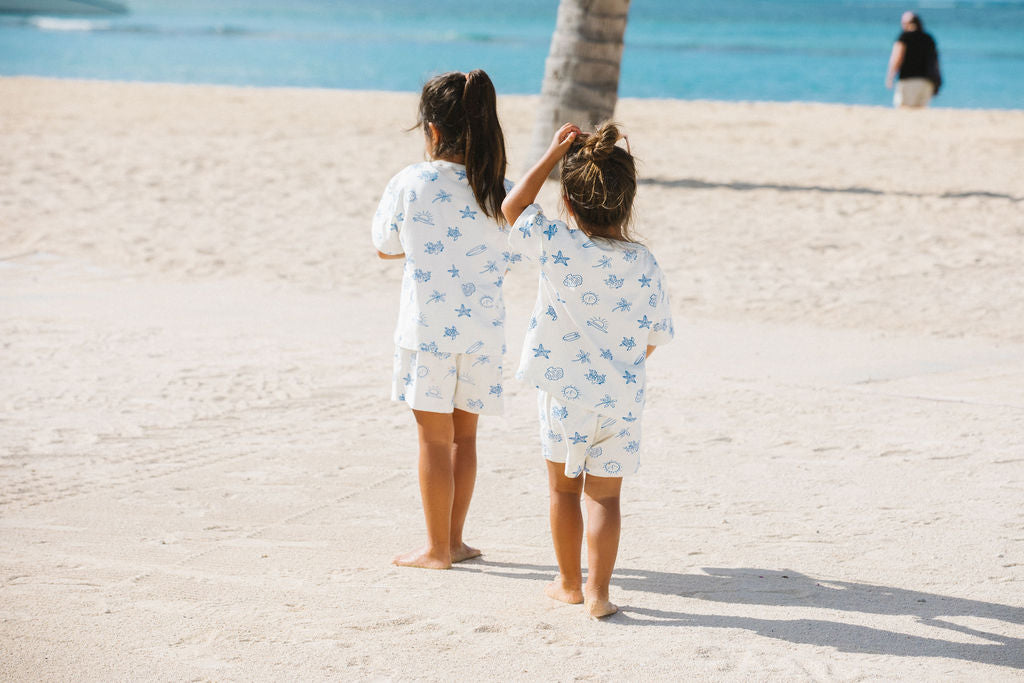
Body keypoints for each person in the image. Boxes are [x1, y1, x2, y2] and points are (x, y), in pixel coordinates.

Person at [502, 122, 674, 618]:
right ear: (628, 201)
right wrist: (617, 366)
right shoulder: (643, 261)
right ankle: (599, 594)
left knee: (562, 490)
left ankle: (567, 583)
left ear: (570, 203)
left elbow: (512, 208)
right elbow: (652, 339)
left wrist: (554, 156)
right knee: (606, 498)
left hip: (563, 395)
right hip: (621, 399)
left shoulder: (557, 243)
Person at [371, 70, 513, 570]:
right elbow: (515, 254)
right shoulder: (500, 192)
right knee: (465, 438)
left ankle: (436, 550)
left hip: (428, 330)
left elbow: (386, 247)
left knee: (432, 439)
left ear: (432, 130)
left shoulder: (411, 182)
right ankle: (455, 540)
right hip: (483, 334)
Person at [886, 11, 941, 108]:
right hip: (927, 82)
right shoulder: (929, 38)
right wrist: (938, 81)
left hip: (908, 80)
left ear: (907, 23)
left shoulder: (903, 37)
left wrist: (890, 77)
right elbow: (936, 62)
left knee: (903, 111)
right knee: (920, 113)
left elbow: (897, 58)